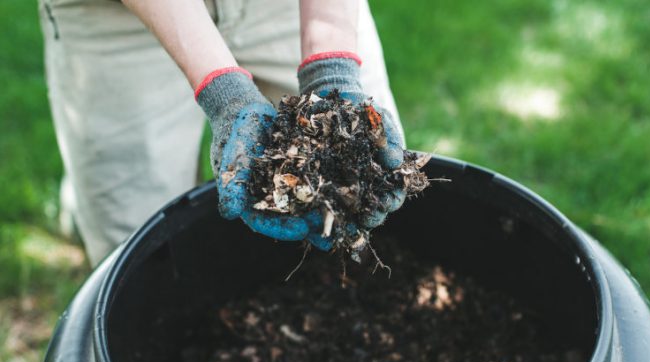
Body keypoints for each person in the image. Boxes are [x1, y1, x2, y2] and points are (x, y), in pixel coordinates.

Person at [39, 0, 405, 265]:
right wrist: (223, 92)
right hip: (114, 17)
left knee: (367, 193)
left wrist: (332, 68)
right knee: (136, 240)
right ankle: (82, 199)